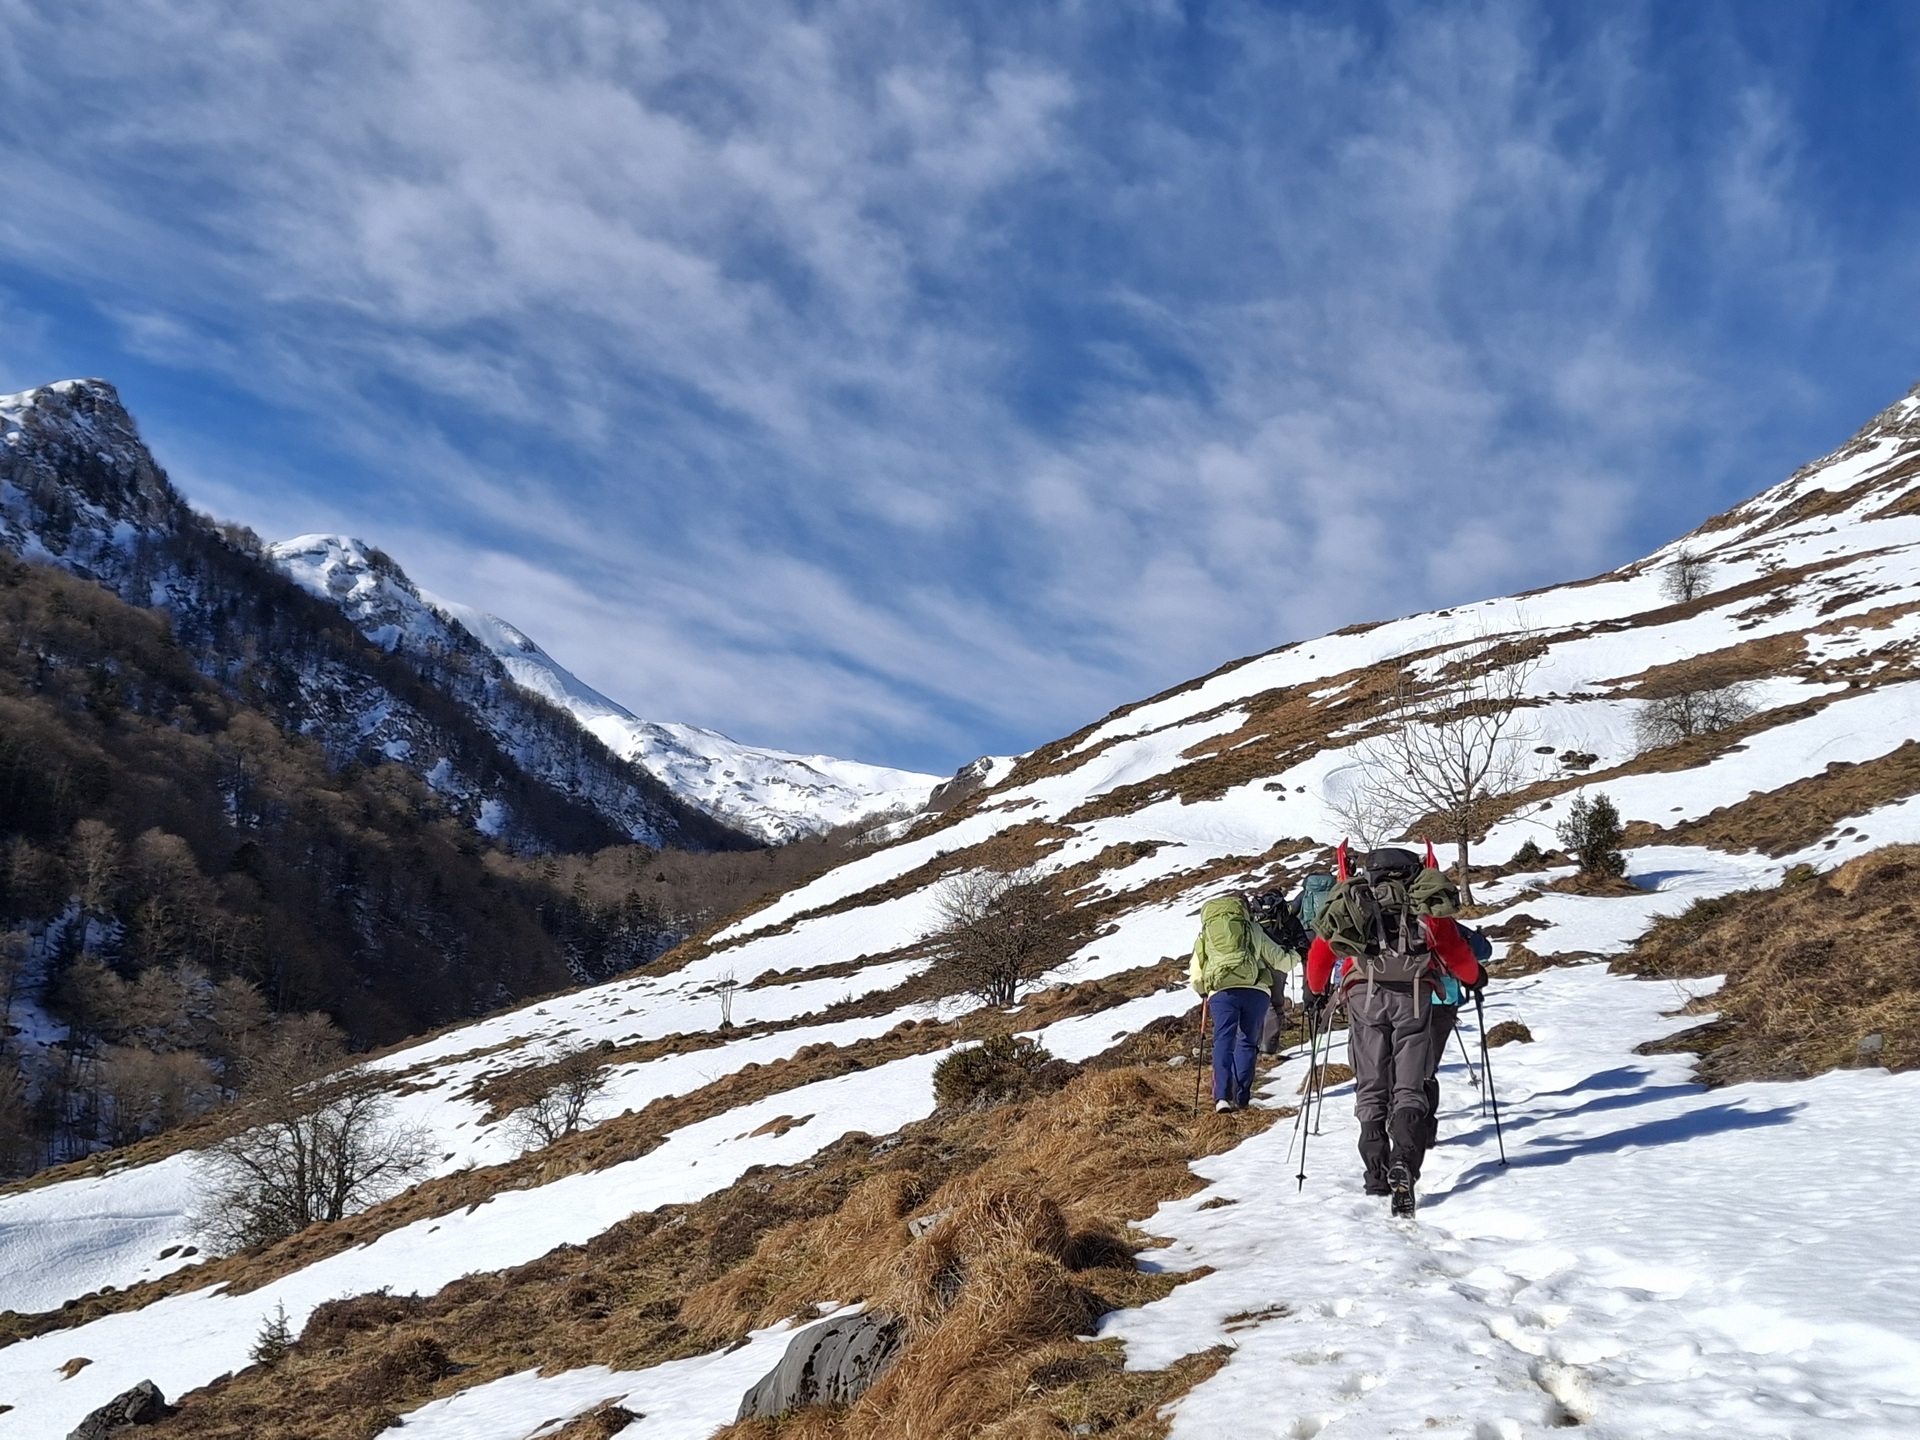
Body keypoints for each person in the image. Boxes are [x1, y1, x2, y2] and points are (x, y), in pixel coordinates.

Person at [1303, 848, 1484, 1215]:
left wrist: (1315, 990)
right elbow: (1453, 950)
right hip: (1415, 999)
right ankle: (1404, 1162)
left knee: (1371, 1084)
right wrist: (1475, 976)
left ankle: (1375, 1173)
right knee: (1409, 1086)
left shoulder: (1353, 898)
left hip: (1364, 997)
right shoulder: (1424, 898)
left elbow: (1323, 952)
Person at [1190, 892, 1300, 1112]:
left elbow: (1196, 971)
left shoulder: (1206, 933)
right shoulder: (1253, 928)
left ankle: (1221, 1097)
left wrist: (1204, 990)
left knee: (1223, 1040)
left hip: (1221, 992)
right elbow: (1280, 960)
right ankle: (1241, 1098)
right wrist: (1297, 955)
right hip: (1255, 991)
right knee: (1247, 1042)